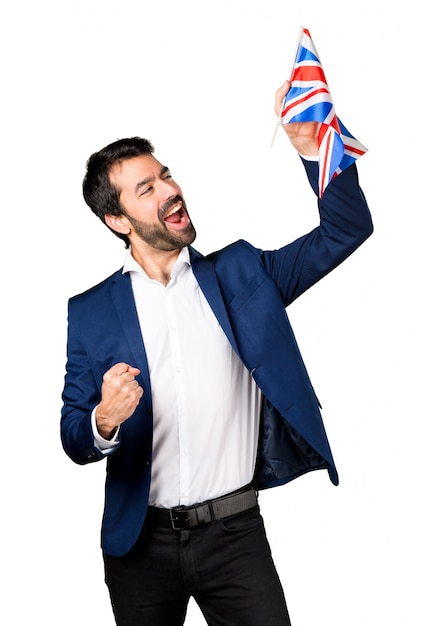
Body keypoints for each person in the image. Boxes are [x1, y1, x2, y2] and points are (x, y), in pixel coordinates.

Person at [60, 80, 373, 626]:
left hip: (236, 537)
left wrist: (316, 146)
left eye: (165, 175)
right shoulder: (90, 312)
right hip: (139, 547)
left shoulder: (243, 274)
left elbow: (347, 229)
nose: (169, 190)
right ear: (117, 220)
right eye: (146, 189)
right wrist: (103, 420)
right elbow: (73, 436)